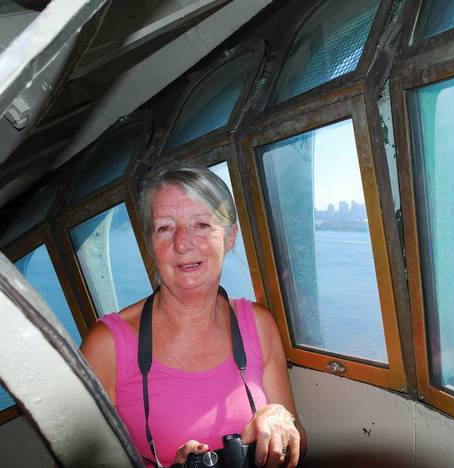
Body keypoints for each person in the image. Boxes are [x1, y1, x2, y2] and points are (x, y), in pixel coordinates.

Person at [81, 165, 306, 467]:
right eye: (165, 228)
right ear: (151, 244)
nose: (182, 243)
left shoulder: (258, 325)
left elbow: (299, 445)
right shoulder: (107, 346)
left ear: (229, 238)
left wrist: (281, 418)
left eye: (200, 224)